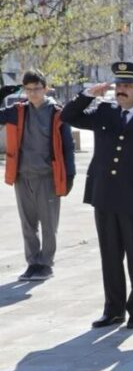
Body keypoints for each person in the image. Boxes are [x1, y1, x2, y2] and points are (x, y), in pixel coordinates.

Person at [61, 62, 133, 329]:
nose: (122, 90)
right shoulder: (103, 111)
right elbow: (68, 116)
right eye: (119, 85)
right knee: (110, 256)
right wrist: (88, 94)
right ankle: (113, 309)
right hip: (105, 196)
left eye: (128, 86)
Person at [1, 69, 75, 281]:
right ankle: (33, 262)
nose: (33, 93)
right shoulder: (17, 111)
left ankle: (46, 263)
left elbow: (68, 146)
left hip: (47, 176)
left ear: (46, 88)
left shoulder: (57, 113)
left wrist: (69, 175)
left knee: (49, 223)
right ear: (24, 90)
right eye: (29, 89)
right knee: (27, 223)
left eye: (37, 89)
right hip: (22, 175)